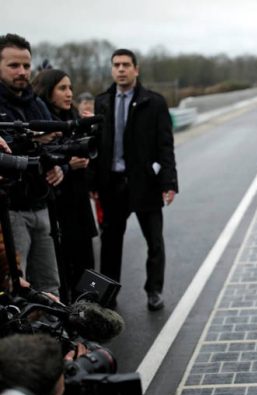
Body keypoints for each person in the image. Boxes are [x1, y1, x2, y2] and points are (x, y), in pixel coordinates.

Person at [88, 49, 178, 311]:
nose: (121, 69)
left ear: (136, 69)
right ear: (111, 69)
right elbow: (96, 145)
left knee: (154, 242)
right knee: (110, 245)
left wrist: (169, 183)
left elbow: (165, 145)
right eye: (116, 65)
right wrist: (92, 183)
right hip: (111, 184)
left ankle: (154, 291)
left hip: (145, 184)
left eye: (126, 64)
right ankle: (107, 295)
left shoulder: (154, 102)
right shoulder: (102, 101)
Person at [0, 34, 65, 295]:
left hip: (42, 207)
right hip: (9, 211)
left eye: (26, 66)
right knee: (15, 287)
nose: (22, 72)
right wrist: (33, 140)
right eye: (14, 65)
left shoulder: (37, 103)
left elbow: (57, 147)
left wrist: (60, 168)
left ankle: (54, 335)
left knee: (50, 285)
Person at [32, 69, 97, 298]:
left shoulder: (75, 120)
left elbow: (93, 161)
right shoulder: (42, 125)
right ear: (48, 91)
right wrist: (70, 165)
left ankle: (91, 309)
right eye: (62, 88)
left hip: (79, 205)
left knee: (87, 265)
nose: (69, 93)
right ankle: (71, 315)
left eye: (70, 88)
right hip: (57, 209)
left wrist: (90, 131)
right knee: (62, 269)